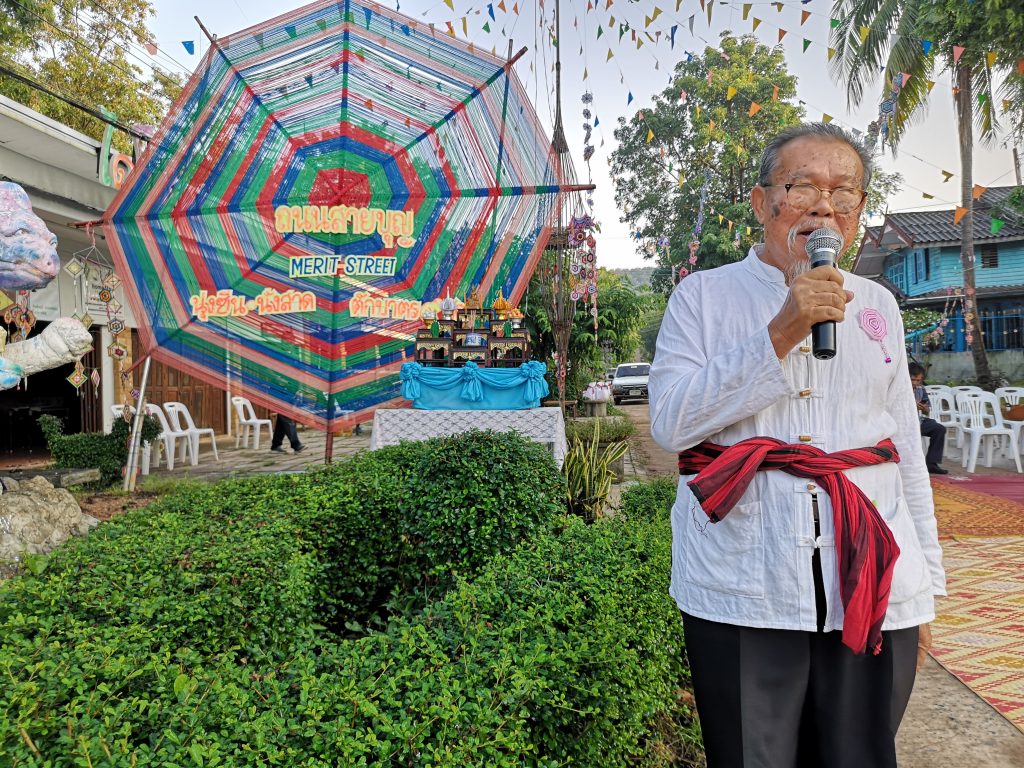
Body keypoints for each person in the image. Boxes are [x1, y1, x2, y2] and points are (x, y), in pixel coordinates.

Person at [649, 123, 945, 768]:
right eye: (801, 186)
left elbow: (902, 449)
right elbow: (671, 423)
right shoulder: (702, 297)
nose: (823, 206)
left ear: (859, 210)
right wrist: (781, 332)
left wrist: (926, 584)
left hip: (870, 579)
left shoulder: (879, 305)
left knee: (858, 757)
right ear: (761, 203)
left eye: (843, 192)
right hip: (742, 583)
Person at [909, 362, 948, 474]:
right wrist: (911, 405)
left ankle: (931, 463)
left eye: (918, 380)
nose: (915, 383)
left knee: (938, 429)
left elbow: (927, 411)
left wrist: (925, 409)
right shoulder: (900, 389)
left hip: (917, 421)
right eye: (913, 380)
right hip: (903, 423)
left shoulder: (921, 389)